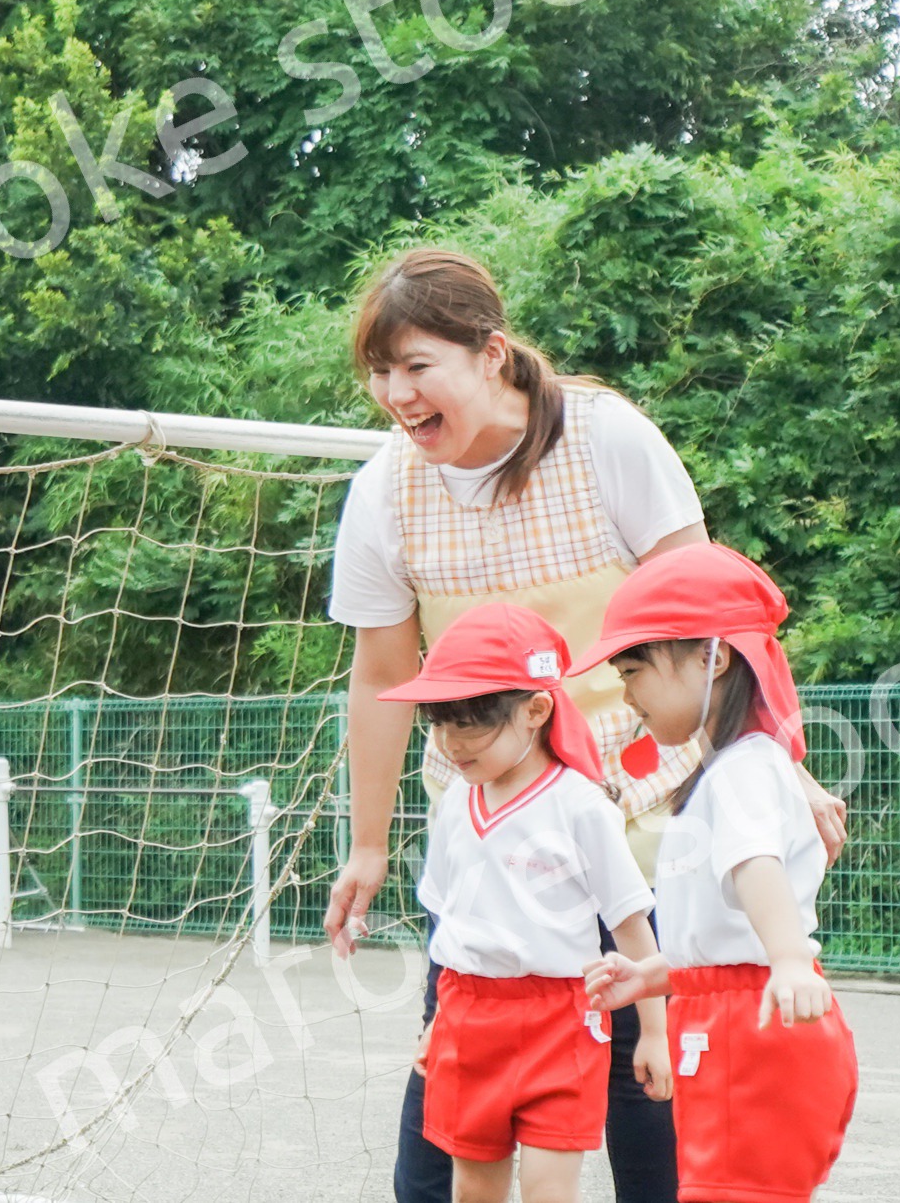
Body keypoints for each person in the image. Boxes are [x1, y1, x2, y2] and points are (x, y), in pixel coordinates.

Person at [318, 247, 843, 1203]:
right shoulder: (385, 491)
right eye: (380, 372)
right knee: (441, 1146)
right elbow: (383, 675)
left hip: (639, 825)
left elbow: (716, 619)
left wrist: (783, 761)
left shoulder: (607, 441)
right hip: (500, 845)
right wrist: (367, 844)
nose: (395, 394)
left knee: (653, 1116)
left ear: (491, 353)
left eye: (417, 365)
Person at [581, 546, 858, 1203]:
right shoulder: (725, 770)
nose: (627, 696)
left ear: (714, 656)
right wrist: (656, 974)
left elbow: (754, 864)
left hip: (748, 1032)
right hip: (726, 1019)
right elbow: (723, 932)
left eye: (634, 671)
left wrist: (789, 959)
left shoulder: (742, 770)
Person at [365, 603, 663, 1203]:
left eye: (469, 724)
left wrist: (654, 1032)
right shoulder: (456, 802)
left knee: (549, 1188)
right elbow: (450, 928)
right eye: (440, 723)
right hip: (467, 1018)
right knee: (473, 1188)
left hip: (561, 1019)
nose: (451, 743)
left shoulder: (581, 806)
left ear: (536, 710)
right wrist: (438, 1024)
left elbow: (631, 923)